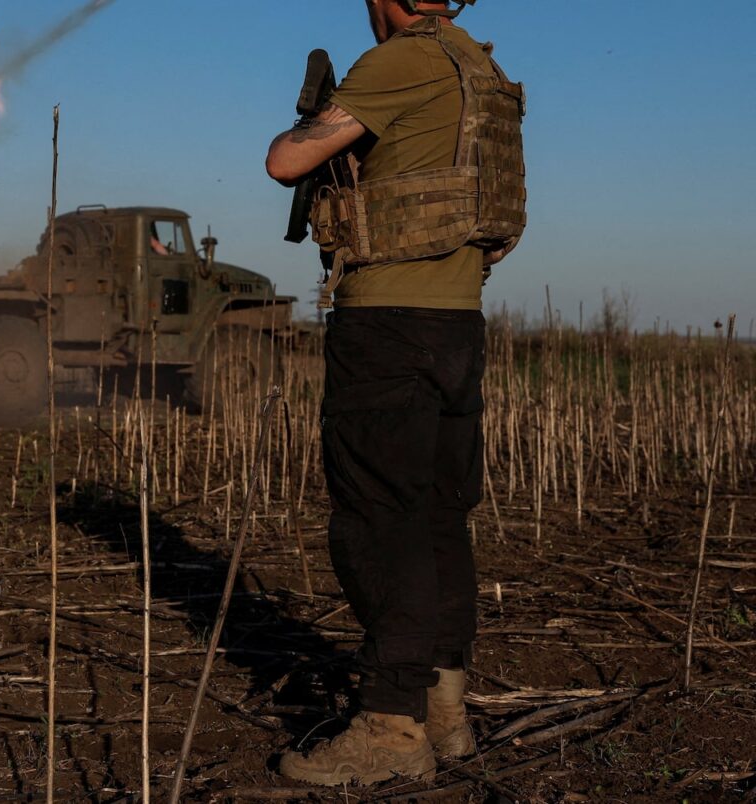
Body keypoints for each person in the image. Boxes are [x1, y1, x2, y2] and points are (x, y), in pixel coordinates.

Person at [263, 0, 525, 787]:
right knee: (441, 519)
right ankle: (446, 714)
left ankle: (389, 725)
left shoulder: (401, 59)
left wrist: (306, 123)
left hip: (387, 325)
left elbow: (285, 161)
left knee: (381, 521)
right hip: (456, 325)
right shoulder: (484, 71)